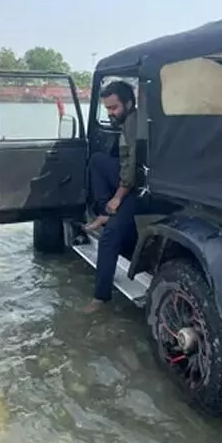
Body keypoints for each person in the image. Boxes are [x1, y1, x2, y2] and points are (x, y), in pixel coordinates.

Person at [83, 81, 140, 313]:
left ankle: (100, 297)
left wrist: (116, 199)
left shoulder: (132, 125)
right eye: (107, 109)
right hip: (139, 179)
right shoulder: (133, 120)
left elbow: (131, 167)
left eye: (114, 108)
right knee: (97, 160)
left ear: (129, 103)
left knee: (109, 237)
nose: (110, 113)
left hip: (141, 187)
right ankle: (103, 213)